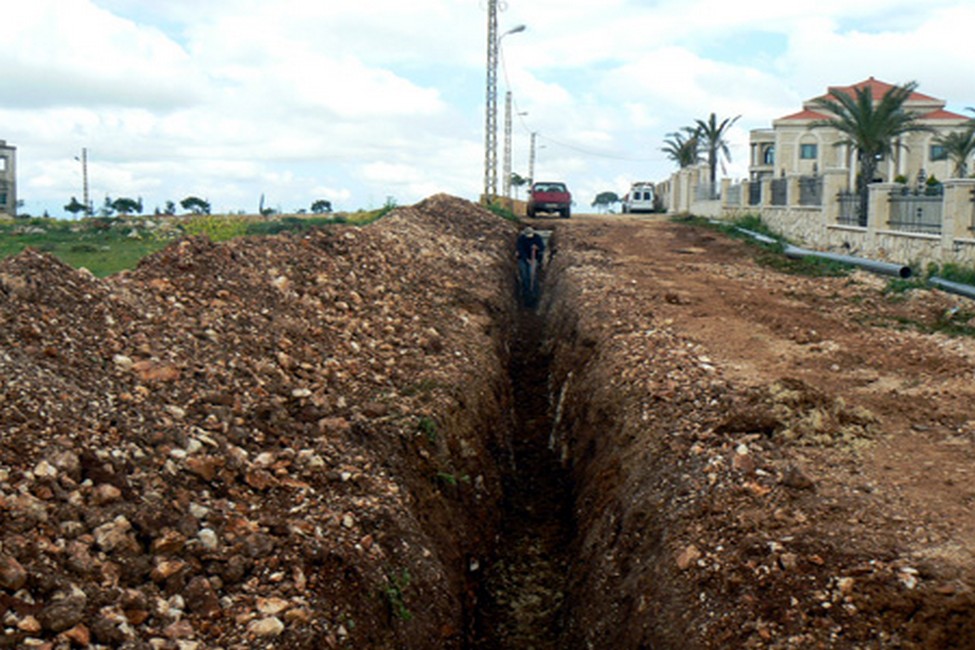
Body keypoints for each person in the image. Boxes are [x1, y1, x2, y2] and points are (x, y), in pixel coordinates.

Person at [515, 225, 545, 306]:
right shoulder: (521, 239)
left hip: (534, 259)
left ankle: (534, 294)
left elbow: (542, 248)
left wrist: (537, 248)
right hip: (523, 259)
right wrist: (526, 259)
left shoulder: (537, 238)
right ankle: (525, 293)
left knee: (533, 276)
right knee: (525, 276)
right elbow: (520, 250)